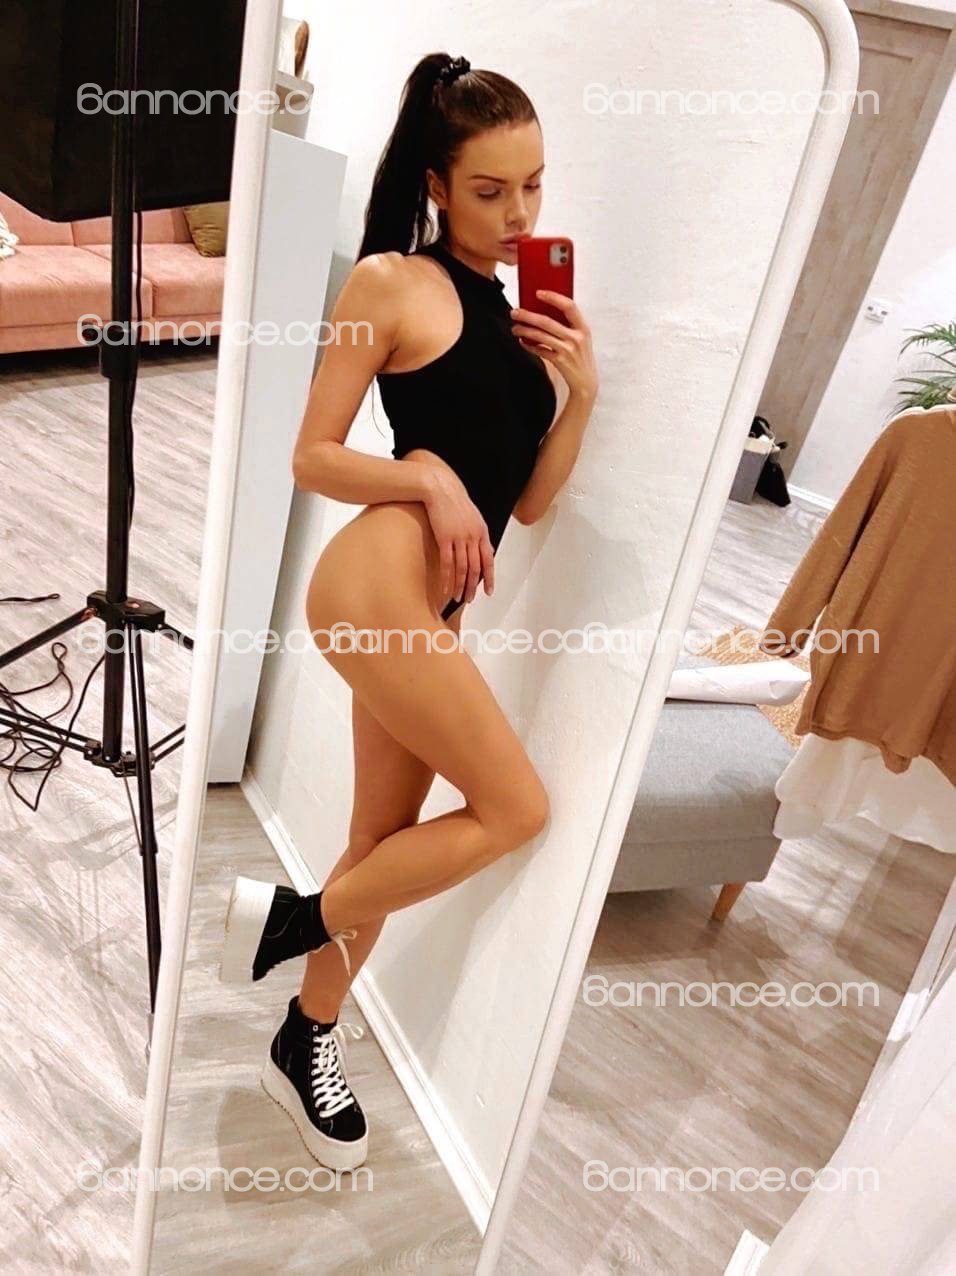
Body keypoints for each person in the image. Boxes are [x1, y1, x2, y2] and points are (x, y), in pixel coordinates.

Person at [219, 51, 598, 1169]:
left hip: (435, 604)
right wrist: (425, 476)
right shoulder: (390, 283)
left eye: (533, 185)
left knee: (382, 843)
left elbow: (527, 503)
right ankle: (291, 920)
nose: (518, 213)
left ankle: (304, 1036)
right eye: (489, 189)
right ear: (436, 184)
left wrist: (582, 393)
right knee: (516, 807)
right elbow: (311, 455)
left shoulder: (522, 318)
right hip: (375, 581)